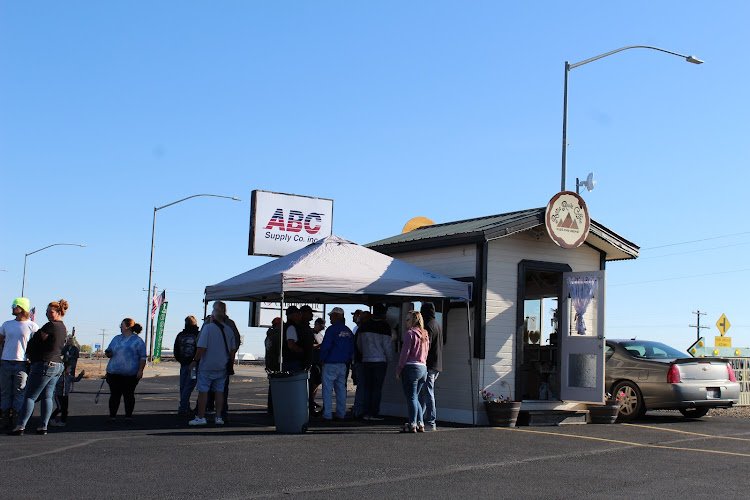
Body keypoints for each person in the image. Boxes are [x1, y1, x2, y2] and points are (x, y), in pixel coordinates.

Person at [10, 299, 68, 435]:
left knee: (30, 396)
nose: (47, 314)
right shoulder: (63, 327)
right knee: (47, 396)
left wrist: (31, 352)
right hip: (57, 365)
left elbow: (39, 341)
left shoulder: (50, 326)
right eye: (47, 311)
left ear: (59, 312)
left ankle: (20, 426)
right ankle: (43, 426)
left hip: (45, 364)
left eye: (50, 312)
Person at [189, 301, 236, 426]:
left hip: (207, 365)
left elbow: (201, 348)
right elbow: (232, 350)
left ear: (214, 314)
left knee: (203, 391)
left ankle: (201, 417)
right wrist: (230, 364)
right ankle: (219, 417)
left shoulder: (208, 328)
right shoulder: (229, 330)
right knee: (219, 391)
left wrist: (195, 361)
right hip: (222, 366)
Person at [0, 298, 39, 429]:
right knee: (5, 391)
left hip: (22, 363)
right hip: (5, 362)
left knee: (19, 391)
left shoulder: (32, 326)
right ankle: (5, 417)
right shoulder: (6, 324)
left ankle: (17, 417)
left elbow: (37, 344)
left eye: (14, 305)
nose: (12, 307)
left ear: (22, 308)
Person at [103, 318, 147, 423]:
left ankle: (128, 416)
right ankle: (112, 416)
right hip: (114, 373)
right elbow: (109, 351)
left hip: (130, 374)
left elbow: (143, 357)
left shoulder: (138, 341)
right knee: (114, 395)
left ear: (127, 327)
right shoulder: (116, 339)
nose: (120, 327)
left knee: (129, 395)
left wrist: (140, 370)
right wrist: (108, 353)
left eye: (121, 325)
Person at [357, 303, 393, 421]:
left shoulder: (364, 326)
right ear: (384, 313)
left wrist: (364, 354)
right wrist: (390, 359)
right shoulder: (385, 326)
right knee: (377, 388)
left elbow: (359, 344)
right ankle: (374, 413)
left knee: (367, 387)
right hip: (380, 361)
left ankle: (366, 412)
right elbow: (387, 346)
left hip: (366, 360)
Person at [397, 310, 430, 433]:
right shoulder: (425, 334)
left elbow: (404, 353)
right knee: (415, 397)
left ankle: (412, 423)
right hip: (423, 368)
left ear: (413, 321)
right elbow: (426, 352)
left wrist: (399, 369)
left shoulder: (410, 334)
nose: (406, 322)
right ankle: (420, 423)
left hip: (411, 368)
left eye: (407, 319)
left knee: (411, 397)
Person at [319, 307, 354, 421]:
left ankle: (327, 414)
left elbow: (326, 346)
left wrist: (322, 358)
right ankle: (341, 413)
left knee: (327, 389)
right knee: (341, 390)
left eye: (331, 316)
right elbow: (352, 348)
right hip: (343, 364)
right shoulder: (348, 331)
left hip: (330, 363)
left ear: (337, 316)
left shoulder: (331, 329)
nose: (330, 318)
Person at [49, 334, 84, 427]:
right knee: (60, 408)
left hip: (65, 394)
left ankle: (63, 421)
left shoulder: (69, 376)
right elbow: (61, 353)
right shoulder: (59, 376)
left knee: (65, 409)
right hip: (59, 394)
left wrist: (81, 375)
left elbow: (76, 379)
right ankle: (51, 419)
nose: (69, 341)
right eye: (69, 369)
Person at [418, 302, 443, 431]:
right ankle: (420, 420)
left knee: (427, 393)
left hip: (429, 364)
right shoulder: (437, 324)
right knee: (425, 393)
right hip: (437, 364)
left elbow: (426, 346)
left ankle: (431, 421)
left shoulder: (428, 326)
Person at [174, 316, 200, 415]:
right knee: (189, 385)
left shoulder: (180, 335)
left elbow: (176, 350)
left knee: (183, 386)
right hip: (194, 365)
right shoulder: (198, 335)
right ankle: (184, 407)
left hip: (184, 363)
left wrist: (180, 360)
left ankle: (184, 406)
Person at [298, 305, 320, 415]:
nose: (312, 315)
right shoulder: (300, 328)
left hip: (309, 362)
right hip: (302, 362)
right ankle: (307, 409)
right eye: (310, 313)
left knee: (310, 386)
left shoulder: (306, 328)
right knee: (306, 387)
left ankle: (309, 408)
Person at [264, 317, 282, 414]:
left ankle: (271, 408)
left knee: (272, 387)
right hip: (276, 364)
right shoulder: (278, 336)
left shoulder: (269, 336)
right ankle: (274, 408)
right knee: (278, 387)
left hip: (270, 364)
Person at [281, 306, 303, 372]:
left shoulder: (285, 326)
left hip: (287, 360)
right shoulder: (291, 327)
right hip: (292, 361)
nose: (300, 315)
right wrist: (301, 351)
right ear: (292, 315)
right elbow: (291, 345)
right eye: (297, 313)